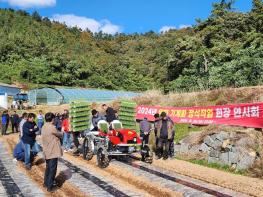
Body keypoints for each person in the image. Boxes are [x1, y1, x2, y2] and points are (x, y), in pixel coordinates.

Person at [42, 112, 63, 193]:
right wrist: (62, 132)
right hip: (53, 151)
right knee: (52, 170)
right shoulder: (52, 127)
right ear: (52, 119)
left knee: (48, 168)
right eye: (54, 118)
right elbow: (60, 134)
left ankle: (46, 183)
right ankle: (50, 187)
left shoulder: (44, 126)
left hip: (47, 150)